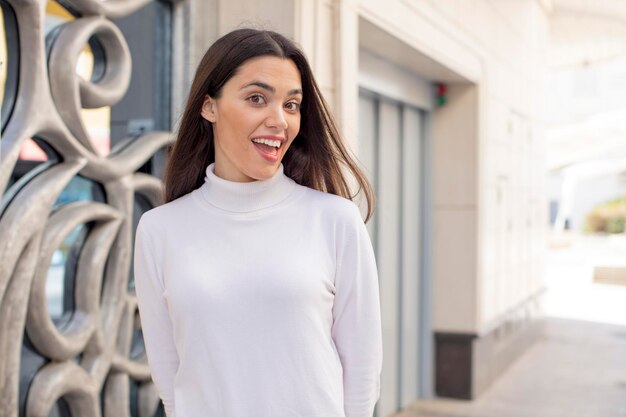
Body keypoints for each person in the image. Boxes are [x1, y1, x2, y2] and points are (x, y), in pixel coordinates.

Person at [133, 28, 382, 417]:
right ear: (208, 106)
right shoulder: (159, 230)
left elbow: (362, 370)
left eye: (292, 105)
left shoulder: (334, 220)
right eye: (256, 99)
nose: (279, 120)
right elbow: (170, 376)